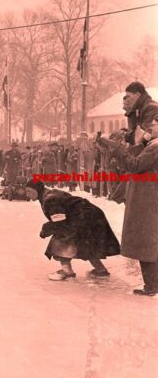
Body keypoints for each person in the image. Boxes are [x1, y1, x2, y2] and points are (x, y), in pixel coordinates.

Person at [98, 114, 158, 296]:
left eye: (155, 124)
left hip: (146, 199)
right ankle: (152, 284)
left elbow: (134, 164)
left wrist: (117, 148)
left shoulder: (155, 148)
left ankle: (151, 285)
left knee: (145, 242)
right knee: (149, 241)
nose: (151, 127)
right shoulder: (151, 146)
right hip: (148, 197)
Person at [25, 179, 120, 281]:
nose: (27, 194)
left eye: (29, 191)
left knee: (61, 240)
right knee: (87, 243)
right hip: (91, 215)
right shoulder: (49, 195)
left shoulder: (50, 199)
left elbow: (59, 222)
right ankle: (100, 271)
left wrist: (45, 229)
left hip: (84, 217)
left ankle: (67, 272)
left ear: (37, 190)